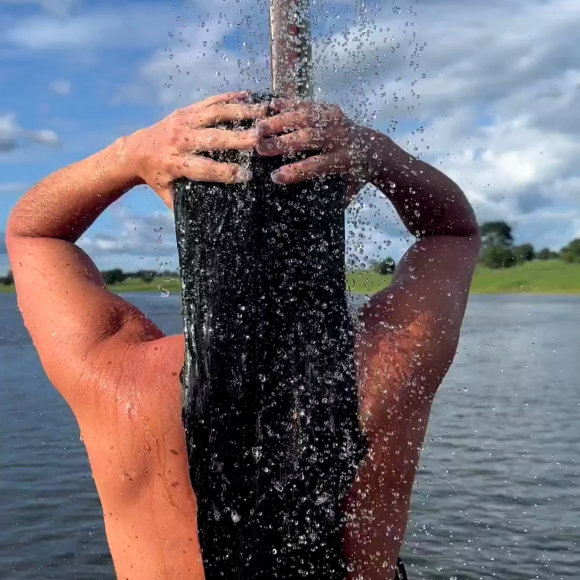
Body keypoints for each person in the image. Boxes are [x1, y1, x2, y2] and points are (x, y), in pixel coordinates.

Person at [6, 91, 480, 580]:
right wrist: (377, 155)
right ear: (326, 210)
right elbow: (452, 231)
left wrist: (134, 154)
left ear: (190, 215)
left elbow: (34, 232)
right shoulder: (389, 361)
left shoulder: (120, 376)